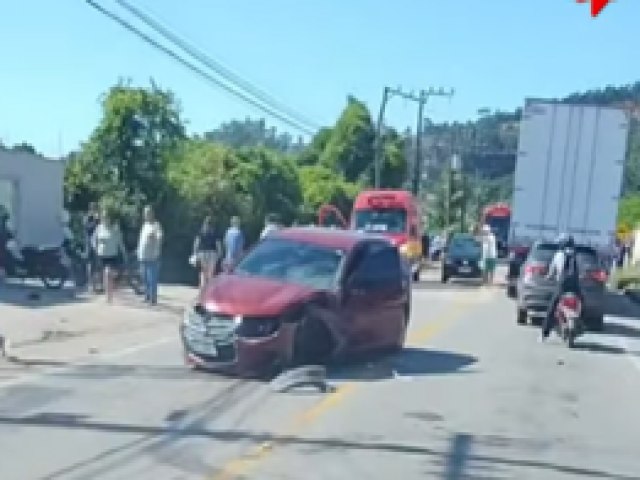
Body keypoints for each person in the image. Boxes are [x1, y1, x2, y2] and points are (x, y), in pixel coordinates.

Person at [541, 235, 581, 341]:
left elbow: (551, 273)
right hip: (575, 286)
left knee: (552, 308)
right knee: (582, 303)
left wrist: (547, 277)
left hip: (562, 285)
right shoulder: (576, 255)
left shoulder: (558, 255)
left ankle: (544, 334)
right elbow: (580, 271)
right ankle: (582, 325)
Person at [92, 208, 126, 304]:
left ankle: (111, 289)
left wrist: (123, 252)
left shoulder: (115, 228)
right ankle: (108, 297)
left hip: (112, 255)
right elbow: (94, 240)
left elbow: (120, 241)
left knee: (111, 274)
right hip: (102, 255)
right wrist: (96, 248)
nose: (105, 218)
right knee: (106, 274)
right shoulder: (99, 228)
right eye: (103, 217)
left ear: (110, 218)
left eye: (106, 217)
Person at [137, 206, 163, 306]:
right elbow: (141, 240)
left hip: (152, 256)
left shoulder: (156, 225)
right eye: (145, 213)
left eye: (148, 213)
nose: (146, 215)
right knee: (144, 278)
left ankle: (153, 299)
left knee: (152, 278)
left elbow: (160, 237)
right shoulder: (144, 225)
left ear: (152, 213)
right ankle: (147, 296)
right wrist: (139, 252)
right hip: (143, 256)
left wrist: (155, 236)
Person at [192, 216, 221, 295]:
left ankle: (201, 291)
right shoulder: (215, 232)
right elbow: (218, 245)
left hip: (202, 253)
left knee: (202, 273)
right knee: (210, 274)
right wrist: (219, 254)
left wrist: (194, 253)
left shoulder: (201, 231)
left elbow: (196, 243)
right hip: (212, 254)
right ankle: (209, 293)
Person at [84, 203, 100, 291]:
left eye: (95, 208)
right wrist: (95, 221)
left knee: (97, 264)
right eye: (93, 208)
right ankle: (91, 284)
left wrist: (97, 220)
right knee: (90, 264)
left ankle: (96, 284)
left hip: (97, 243)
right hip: (90, 244)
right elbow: (88, 228)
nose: (94, 210)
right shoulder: (87, 218)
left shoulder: (97, 218)